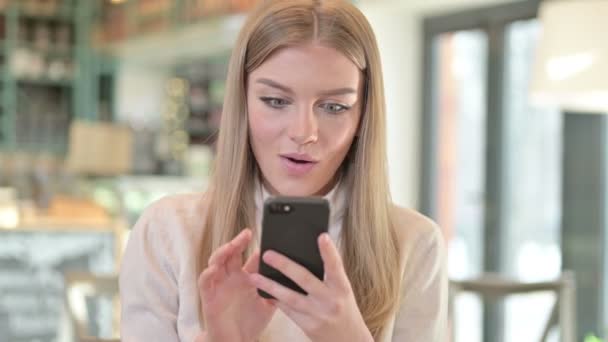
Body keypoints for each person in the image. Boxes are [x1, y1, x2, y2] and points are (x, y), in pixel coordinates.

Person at [119, 1, 447, 341]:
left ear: (363, 116)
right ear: (242, 103)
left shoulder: (415, 245)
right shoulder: (168, 232)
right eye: (276, 101)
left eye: (334, 107)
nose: (304, 132)